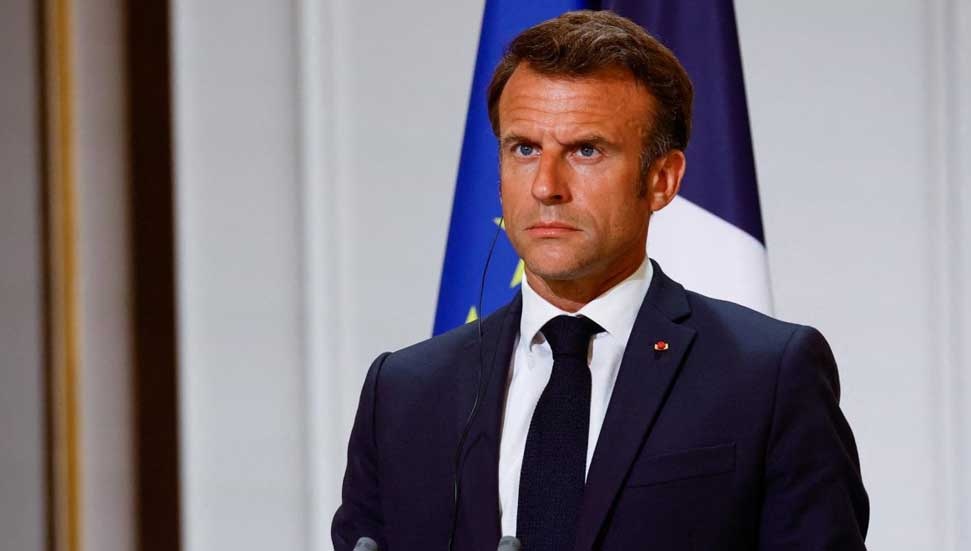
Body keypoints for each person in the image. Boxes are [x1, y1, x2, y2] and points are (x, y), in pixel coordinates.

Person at [332, 10, 868, 551]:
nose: (546, 186)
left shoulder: (768, 376)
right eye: (524, 149)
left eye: (586, 150)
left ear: (662, 180)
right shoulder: (403, 392)